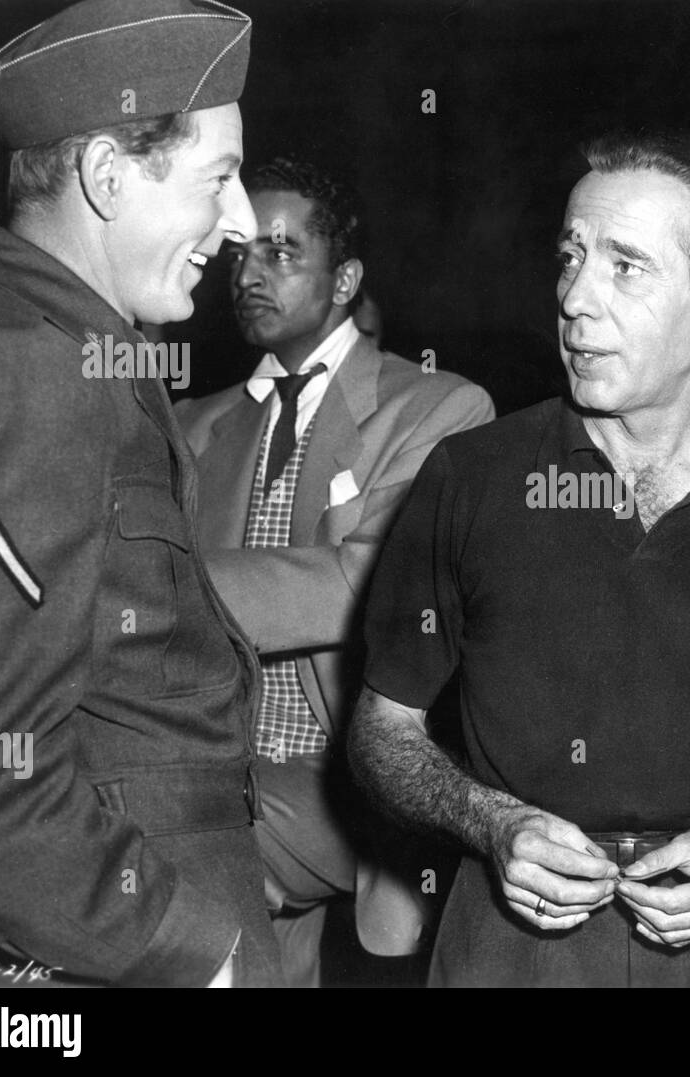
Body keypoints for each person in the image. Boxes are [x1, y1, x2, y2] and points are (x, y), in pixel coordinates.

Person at [348, 133, 690, 987]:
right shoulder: (469, 479)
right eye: (571, 257)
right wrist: (492, 824)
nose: (574, 299)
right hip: (508, 945)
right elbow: (383, 730)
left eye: (625, 267)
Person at [0, 0, 281, 987]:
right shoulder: (22, 372)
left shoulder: (80, 359)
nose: (244, 220)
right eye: (221, 177)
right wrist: (195, 955)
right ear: (107, 176)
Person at [174, 158, 494, 986]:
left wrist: (158, 587)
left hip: (346, 781)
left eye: (281, 253)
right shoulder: (191, 425)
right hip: (218, 758)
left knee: (143, 832)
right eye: (241, 252)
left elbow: (368, 579)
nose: (248, 273)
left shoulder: (439, 407)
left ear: (345, 278)